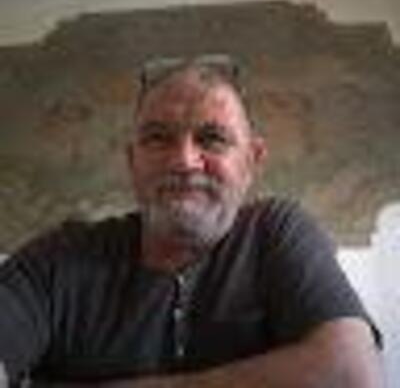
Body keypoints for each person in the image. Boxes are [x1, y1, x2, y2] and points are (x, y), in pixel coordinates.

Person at [0, 56, 383, 387]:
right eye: (157, 138)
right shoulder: (58, 258)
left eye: (212, 138)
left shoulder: (276, 232)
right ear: (133, 162)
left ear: (251, 161)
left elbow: (352, 376)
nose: (183, 160)